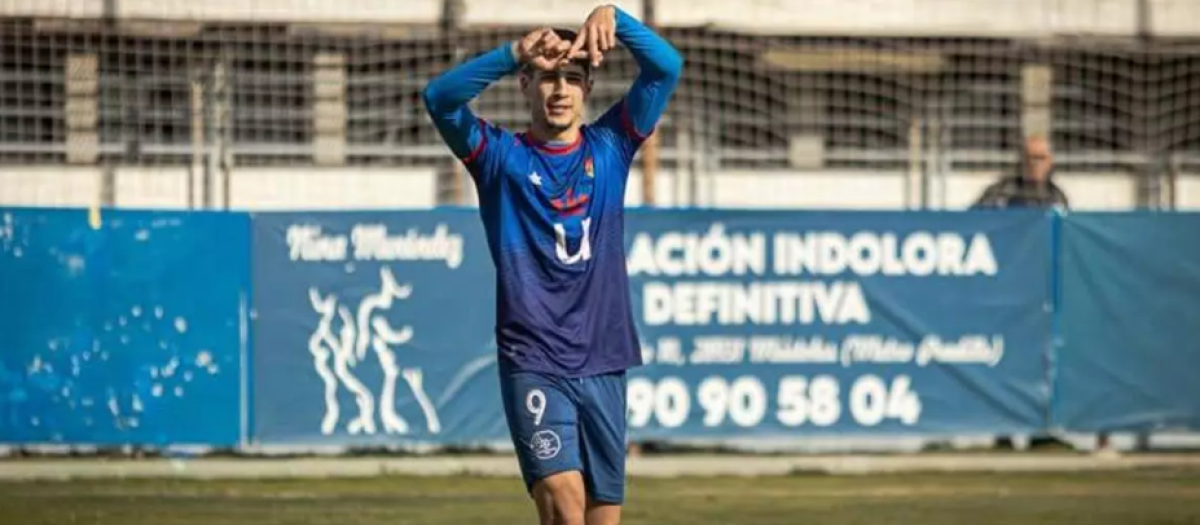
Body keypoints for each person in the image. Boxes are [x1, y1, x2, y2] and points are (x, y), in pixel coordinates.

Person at [423, 5, 682, 525]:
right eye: (546, 77)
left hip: (604, 356)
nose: (560, 89)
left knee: (599, 516)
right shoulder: (498, 158)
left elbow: (666, 67)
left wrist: (614, 17)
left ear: (588, 86)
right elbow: (439, 98)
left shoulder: (612, 147)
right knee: (564, 504)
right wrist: (512, 51)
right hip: (534, 357)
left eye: (572, 77)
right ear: (524, 84)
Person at [972, 134, 1070, 210]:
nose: (1034, 163)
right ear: (1022, 160)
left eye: (1041, 158)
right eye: (1030, 158)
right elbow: (968, 223)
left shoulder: (1057, 196)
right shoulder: (1001, 192)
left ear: (1050, 162)